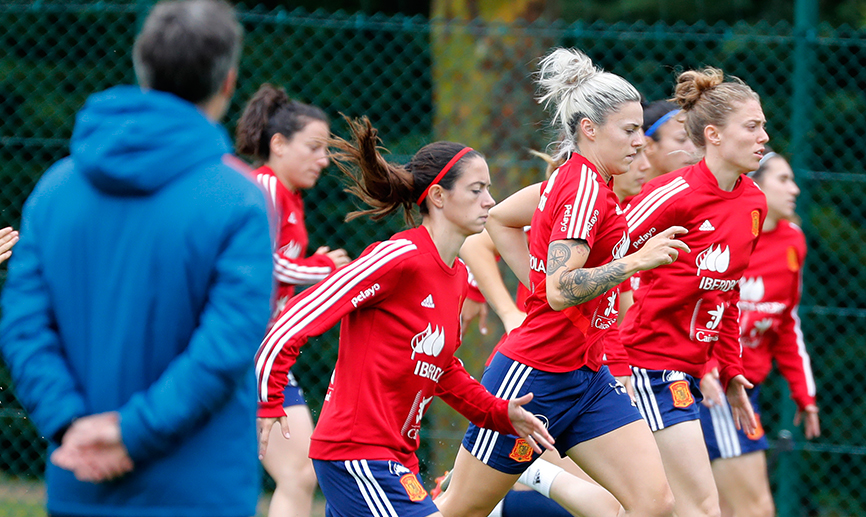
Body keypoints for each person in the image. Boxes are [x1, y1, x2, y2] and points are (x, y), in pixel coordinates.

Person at [0, 2, 274, 516]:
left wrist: (71, 426)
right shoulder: (239, 197)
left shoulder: (54, 189)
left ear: (140, 64)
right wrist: (131, 433)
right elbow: (226, 345)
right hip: (200, 493)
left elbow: (22, 327)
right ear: (228, 81)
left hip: (80, 481)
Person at [255, 115, 555, 517]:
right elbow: (300, 314)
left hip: (396, 458)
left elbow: (442, 369)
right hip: (357, 454)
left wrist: (501, 413)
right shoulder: (399, 257)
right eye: (477, 189)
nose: (490, 201)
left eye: (489, 190)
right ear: (438, 197)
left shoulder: (459, 276)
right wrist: (268, 396)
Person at [434, 47, 689, 517]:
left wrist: (534, 280)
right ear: (590, 129)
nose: (640, 143)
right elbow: (560, 287)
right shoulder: (583, 185)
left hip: (588, 375)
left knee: (654, 503)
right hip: (535, 377)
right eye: (629, 130)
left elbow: (502, 220)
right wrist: (636, 262)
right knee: (459, 510)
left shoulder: (582, 180)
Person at [620, 67, 769, 517]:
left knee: (650, 506)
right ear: (714, 135)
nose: (765, 135)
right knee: (701, 507)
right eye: (753, 126)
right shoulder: (673, 193)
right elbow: (602, 254)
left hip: (689, 369)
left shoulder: (754, 202)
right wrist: (612, 354)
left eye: (763, 124)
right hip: (647, 365)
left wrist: (730, 368)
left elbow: (725, 294)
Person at [235, 83, 350, 517]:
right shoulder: (264, 185)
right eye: (315, 147)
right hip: (243, 348)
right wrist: (326, 268)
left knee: (301, 471)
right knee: (296, 471)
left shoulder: (289, 197)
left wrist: (318, 265)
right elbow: (260, 265)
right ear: (278, 144)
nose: (324, 160)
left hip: (265, 348)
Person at [698, 151, 819, 517]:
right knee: (754, 509)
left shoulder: (793, 242)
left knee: (716, 506)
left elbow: (786, 323)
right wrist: (707, 370)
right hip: (712, 387)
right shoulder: (722, 231)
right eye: (783, 179)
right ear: (756, 182)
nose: (794, 189)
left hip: (750, 389)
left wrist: (804, 393)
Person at [641, 100, 697, 183]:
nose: (693, 150)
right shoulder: (624, 191)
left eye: (694, 139)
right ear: (648, 145)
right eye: (681, 140)